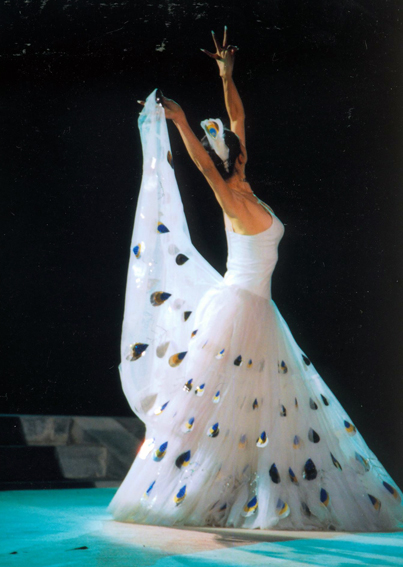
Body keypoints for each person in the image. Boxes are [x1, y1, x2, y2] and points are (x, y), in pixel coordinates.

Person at [109, 28, 403, 531]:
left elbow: (239, 119)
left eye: (236, 147)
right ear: (230, 161)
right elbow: (203, 165)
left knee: (263, 410)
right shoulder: (231, 198)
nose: (241, 148)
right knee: (223, 409)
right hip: (239, 308)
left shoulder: (245, 186)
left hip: (261, 310)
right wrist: (180, 122)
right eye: (234, 150)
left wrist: (226, 75)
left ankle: (240, 495)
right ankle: (202, 495)